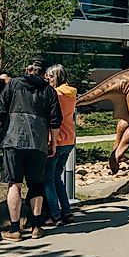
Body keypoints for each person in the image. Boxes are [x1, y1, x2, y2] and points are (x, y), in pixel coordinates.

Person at [0, 57, 62, 242]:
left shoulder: (12, 85)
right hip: (38, 143)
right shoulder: (49, 91)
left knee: (15, 183)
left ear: (26, 69)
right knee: (36, 183)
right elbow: (55, 121)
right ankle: (36, 227)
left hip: (14, 140)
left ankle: (15, 229)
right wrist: (53, 143)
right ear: (43, 72)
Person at [43, 64, 77, 226]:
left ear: (57, 77)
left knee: (47, 179)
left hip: (56, 140)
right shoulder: (72, 93)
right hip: (69, 140)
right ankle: (67, 211)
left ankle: (55, 215)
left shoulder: (55, 94)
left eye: (50, 76)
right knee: (57, 177)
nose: (47, 79)